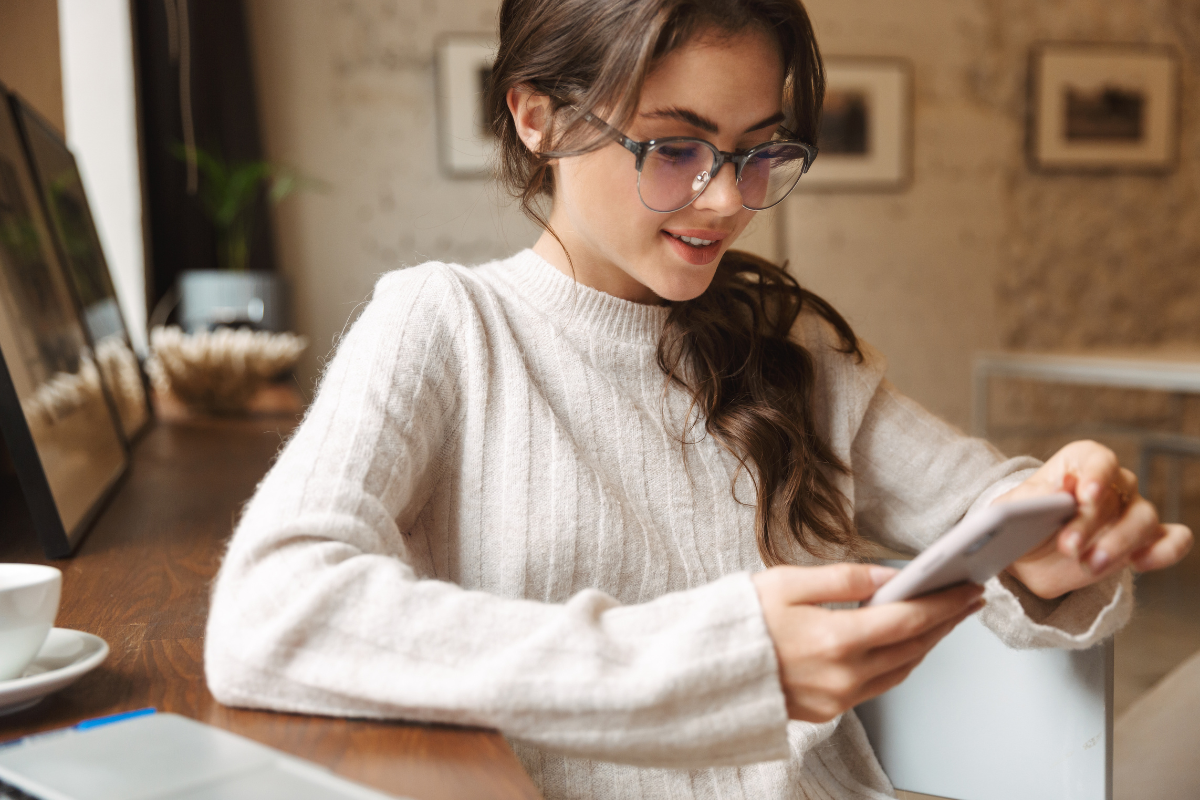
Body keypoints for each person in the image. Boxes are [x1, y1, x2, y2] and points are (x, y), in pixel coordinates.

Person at [205, 0, 1194, 797]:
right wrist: (727, 658)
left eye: (760, 149)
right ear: (535, 113)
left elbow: (996, 503)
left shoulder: (790, 352)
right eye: (672, 148)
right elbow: (268, 612)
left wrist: (1066, 531)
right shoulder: (446, 325)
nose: (726, 201)